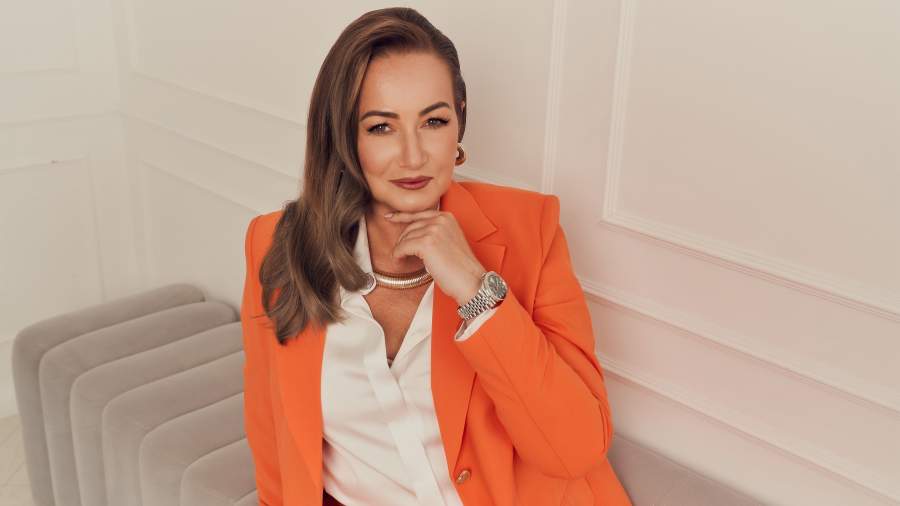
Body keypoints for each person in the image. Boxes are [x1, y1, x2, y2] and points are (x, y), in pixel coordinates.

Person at [240, 7, 632, 506]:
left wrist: (476, 291)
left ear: (459, 120)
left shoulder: (530, 231)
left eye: (433, 121)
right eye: (381, 127)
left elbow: (576, 450)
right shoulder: (276, 245)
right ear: (342, 136)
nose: (413, 156)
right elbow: (272, 439)